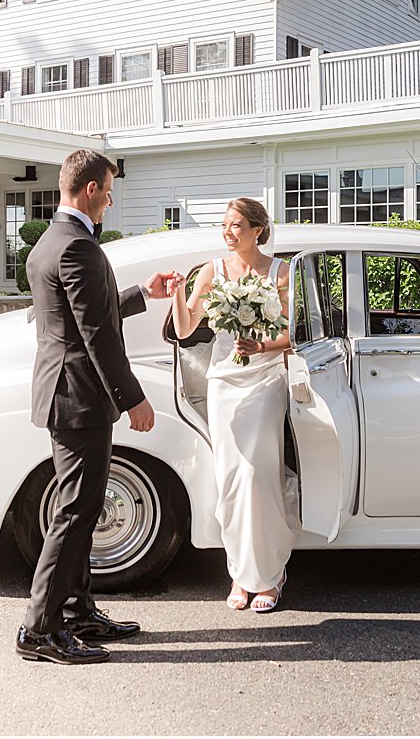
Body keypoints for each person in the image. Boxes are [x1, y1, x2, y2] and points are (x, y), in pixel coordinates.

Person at [15, 148, 180, 665]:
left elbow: (81, 310)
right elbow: (97, 335)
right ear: (89, 189)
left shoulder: (51, 242)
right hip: (79, 397)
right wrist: (133, 399)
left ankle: (79, 612)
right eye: (107, 189)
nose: (110, 199)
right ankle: (38, 630)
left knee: (81, 510)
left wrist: (140, 294)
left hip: (66, 392)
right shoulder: (78, 246)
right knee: (75, 512)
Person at [169, 197, 295, 613]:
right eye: (224, 225)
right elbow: (187, 326)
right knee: (229, 479)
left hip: (264, 380)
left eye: (236, 224)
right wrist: (176, 295)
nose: (228, 232)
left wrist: (260, 345)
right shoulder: (212, 271)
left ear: (258, 229)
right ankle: (240, 574)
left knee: (257, 475)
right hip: (224, 379)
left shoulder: (279, 271)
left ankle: (270, 575)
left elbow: (295, 333)